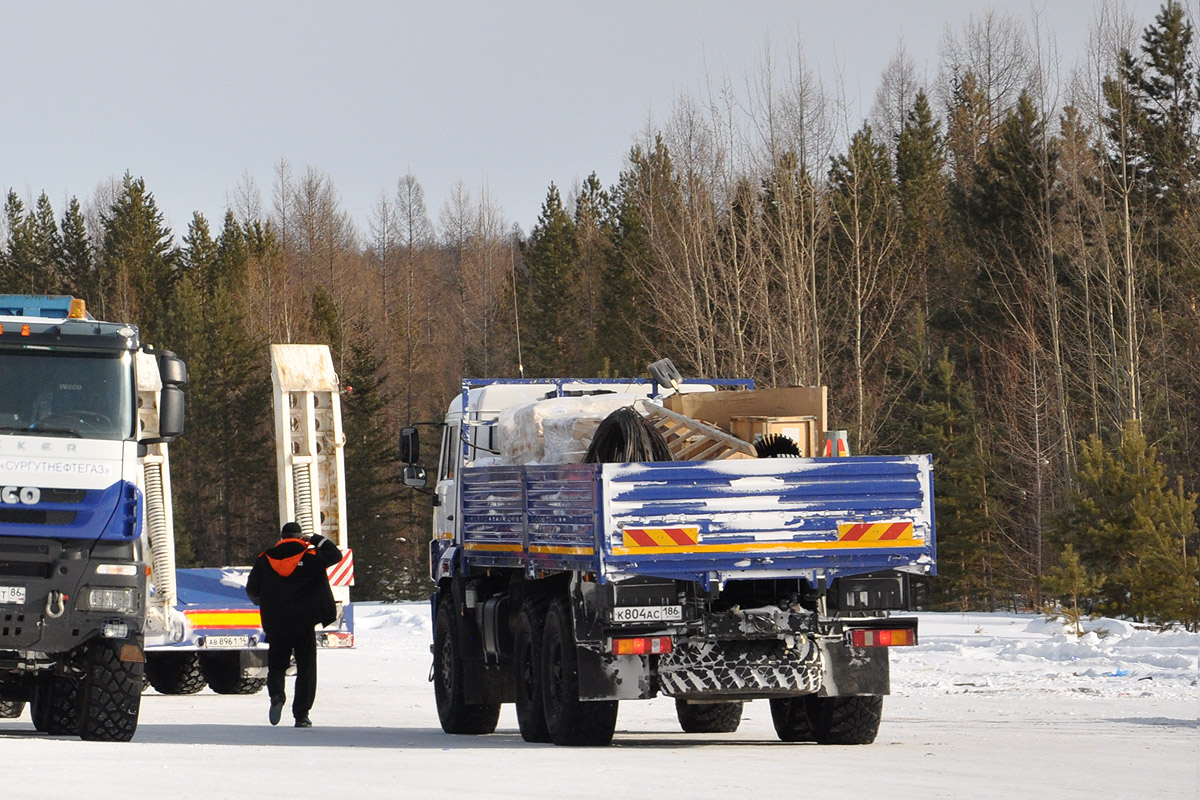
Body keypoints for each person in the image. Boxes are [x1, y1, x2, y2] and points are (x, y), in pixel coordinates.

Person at [246, 521, 342, 728]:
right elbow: (336, 555)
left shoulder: (265, 558)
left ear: (281, 538)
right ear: (300, 538)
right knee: (306, 668)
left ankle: (277, 696)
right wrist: (315, 539)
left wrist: (266, 601)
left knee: (277, 665)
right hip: (304, 623)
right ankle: (301, 715)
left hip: (277, 622)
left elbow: (252, 589)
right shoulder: (311, 557)